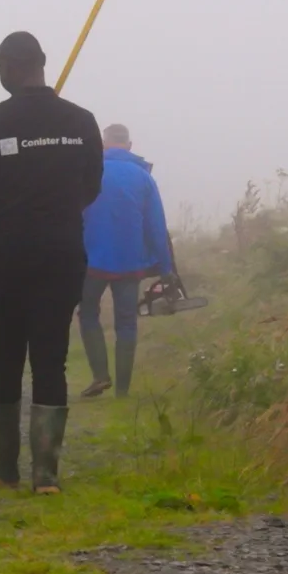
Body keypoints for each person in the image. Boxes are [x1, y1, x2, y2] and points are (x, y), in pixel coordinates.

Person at [0, 30, 107, 491]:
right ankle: (46, 472)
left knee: (6, 357)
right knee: (51, 356)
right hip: (61, 249)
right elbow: (92, 185)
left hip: (4, 250)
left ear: (5, 69)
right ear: (42, 62)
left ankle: (5, 460)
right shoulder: (81, 120)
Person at [74, 124, 175, 399]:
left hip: (91, 260)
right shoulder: (143, 177)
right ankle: (122, 391)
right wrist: (166, 270)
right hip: (130, 262)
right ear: (129, 145)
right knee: (127, 322)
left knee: (88, 314)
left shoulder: (86, 171)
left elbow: (70, 215)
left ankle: (100, 375)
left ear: (103, 144)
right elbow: (156, 226)